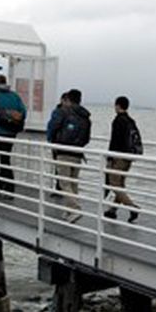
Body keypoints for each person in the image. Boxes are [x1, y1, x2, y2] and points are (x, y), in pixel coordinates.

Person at [47, 89, 91, 222]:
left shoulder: (63, 112)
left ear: (69, 99)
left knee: (64, 183)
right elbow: (87, 138)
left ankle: (75, 209)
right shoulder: (85, 116)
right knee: (73, 182)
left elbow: (52, 127)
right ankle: (69, 210)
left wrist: (52, 141)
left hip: (63, 151)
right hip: (78, 152)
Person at [104, 96, 142, 222]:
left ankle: (132, 207)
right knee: (120, 184)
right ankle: (112, 210)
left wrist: (110, 157)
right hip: (128, 157)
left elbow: (114, 141)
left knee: (114, 184)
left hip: (118, 157)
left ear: (118, 106)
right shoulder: (131, 121)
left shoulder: (118, 120)